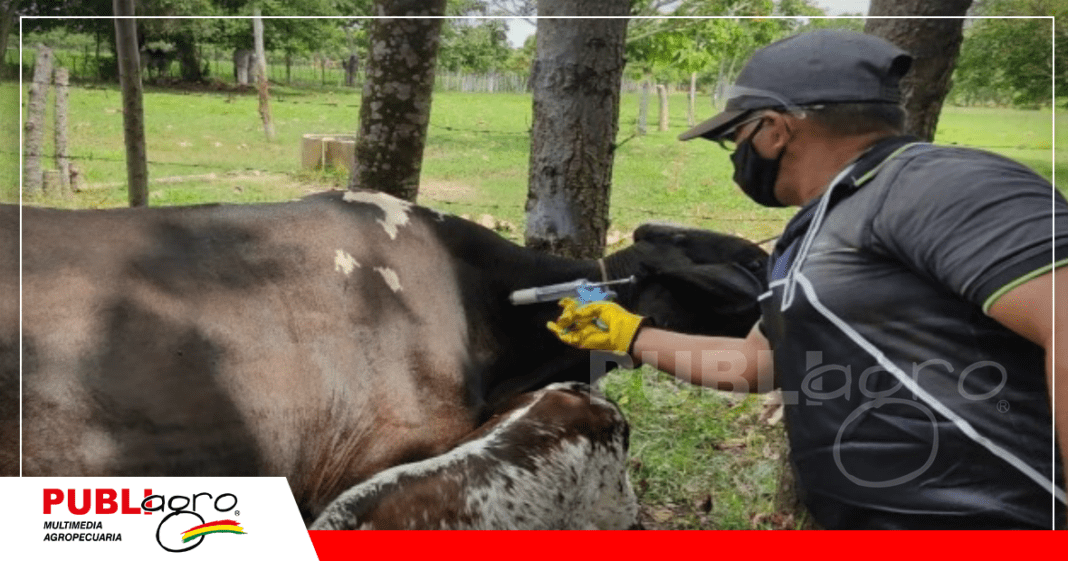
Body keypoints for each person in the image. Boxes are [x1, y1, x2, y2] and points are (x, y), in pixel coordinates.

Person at [547, 29, 1067, 529]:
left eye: (736, 137)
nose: (738, 155)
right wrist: (630, 336)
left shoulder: (935, 184)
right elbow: (760, 364)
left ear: (775, 129)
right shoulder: (825, 225)